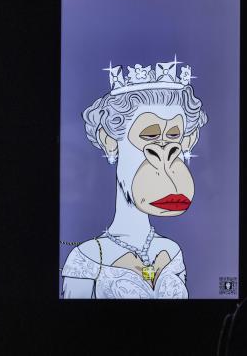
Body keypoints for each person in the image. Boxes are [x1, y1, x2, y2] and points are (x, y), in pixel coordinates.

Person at [61, 59, 207, 299]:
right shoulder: (84, 258)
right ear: (109, 141)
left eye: (174, 136)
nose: (165, 153)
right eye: (149, 136)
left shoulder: (172, 251)